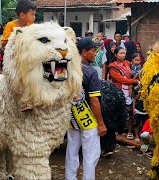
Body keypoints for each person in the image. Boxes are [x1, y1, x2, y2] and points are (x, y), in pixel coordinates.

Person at [65, 37, 107, 180]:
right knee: (90, 154)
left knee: (72, 151)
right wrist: (101, 124)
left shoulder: (68, 68)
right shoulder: (91, 72)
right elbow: (94, 100)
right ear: (84, 52)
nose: (95, 54)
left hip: (71, 116)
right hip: (88, 119)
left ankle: (70, 178)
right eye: (93, 51)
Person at [108, 47, 139, 140]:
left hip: (129, 91)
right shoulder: (112, 66)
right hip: (118, 91)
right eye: (120, 53)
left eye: (124, 53)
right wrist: (134, 81)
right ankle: (115, 130)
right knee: (117, 111)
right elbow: (119, 79)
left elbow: (134, 73)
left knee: (130, 112)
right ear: (115, 54)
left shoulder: (128, 63)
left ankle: (129, 131)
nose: (122, 55)